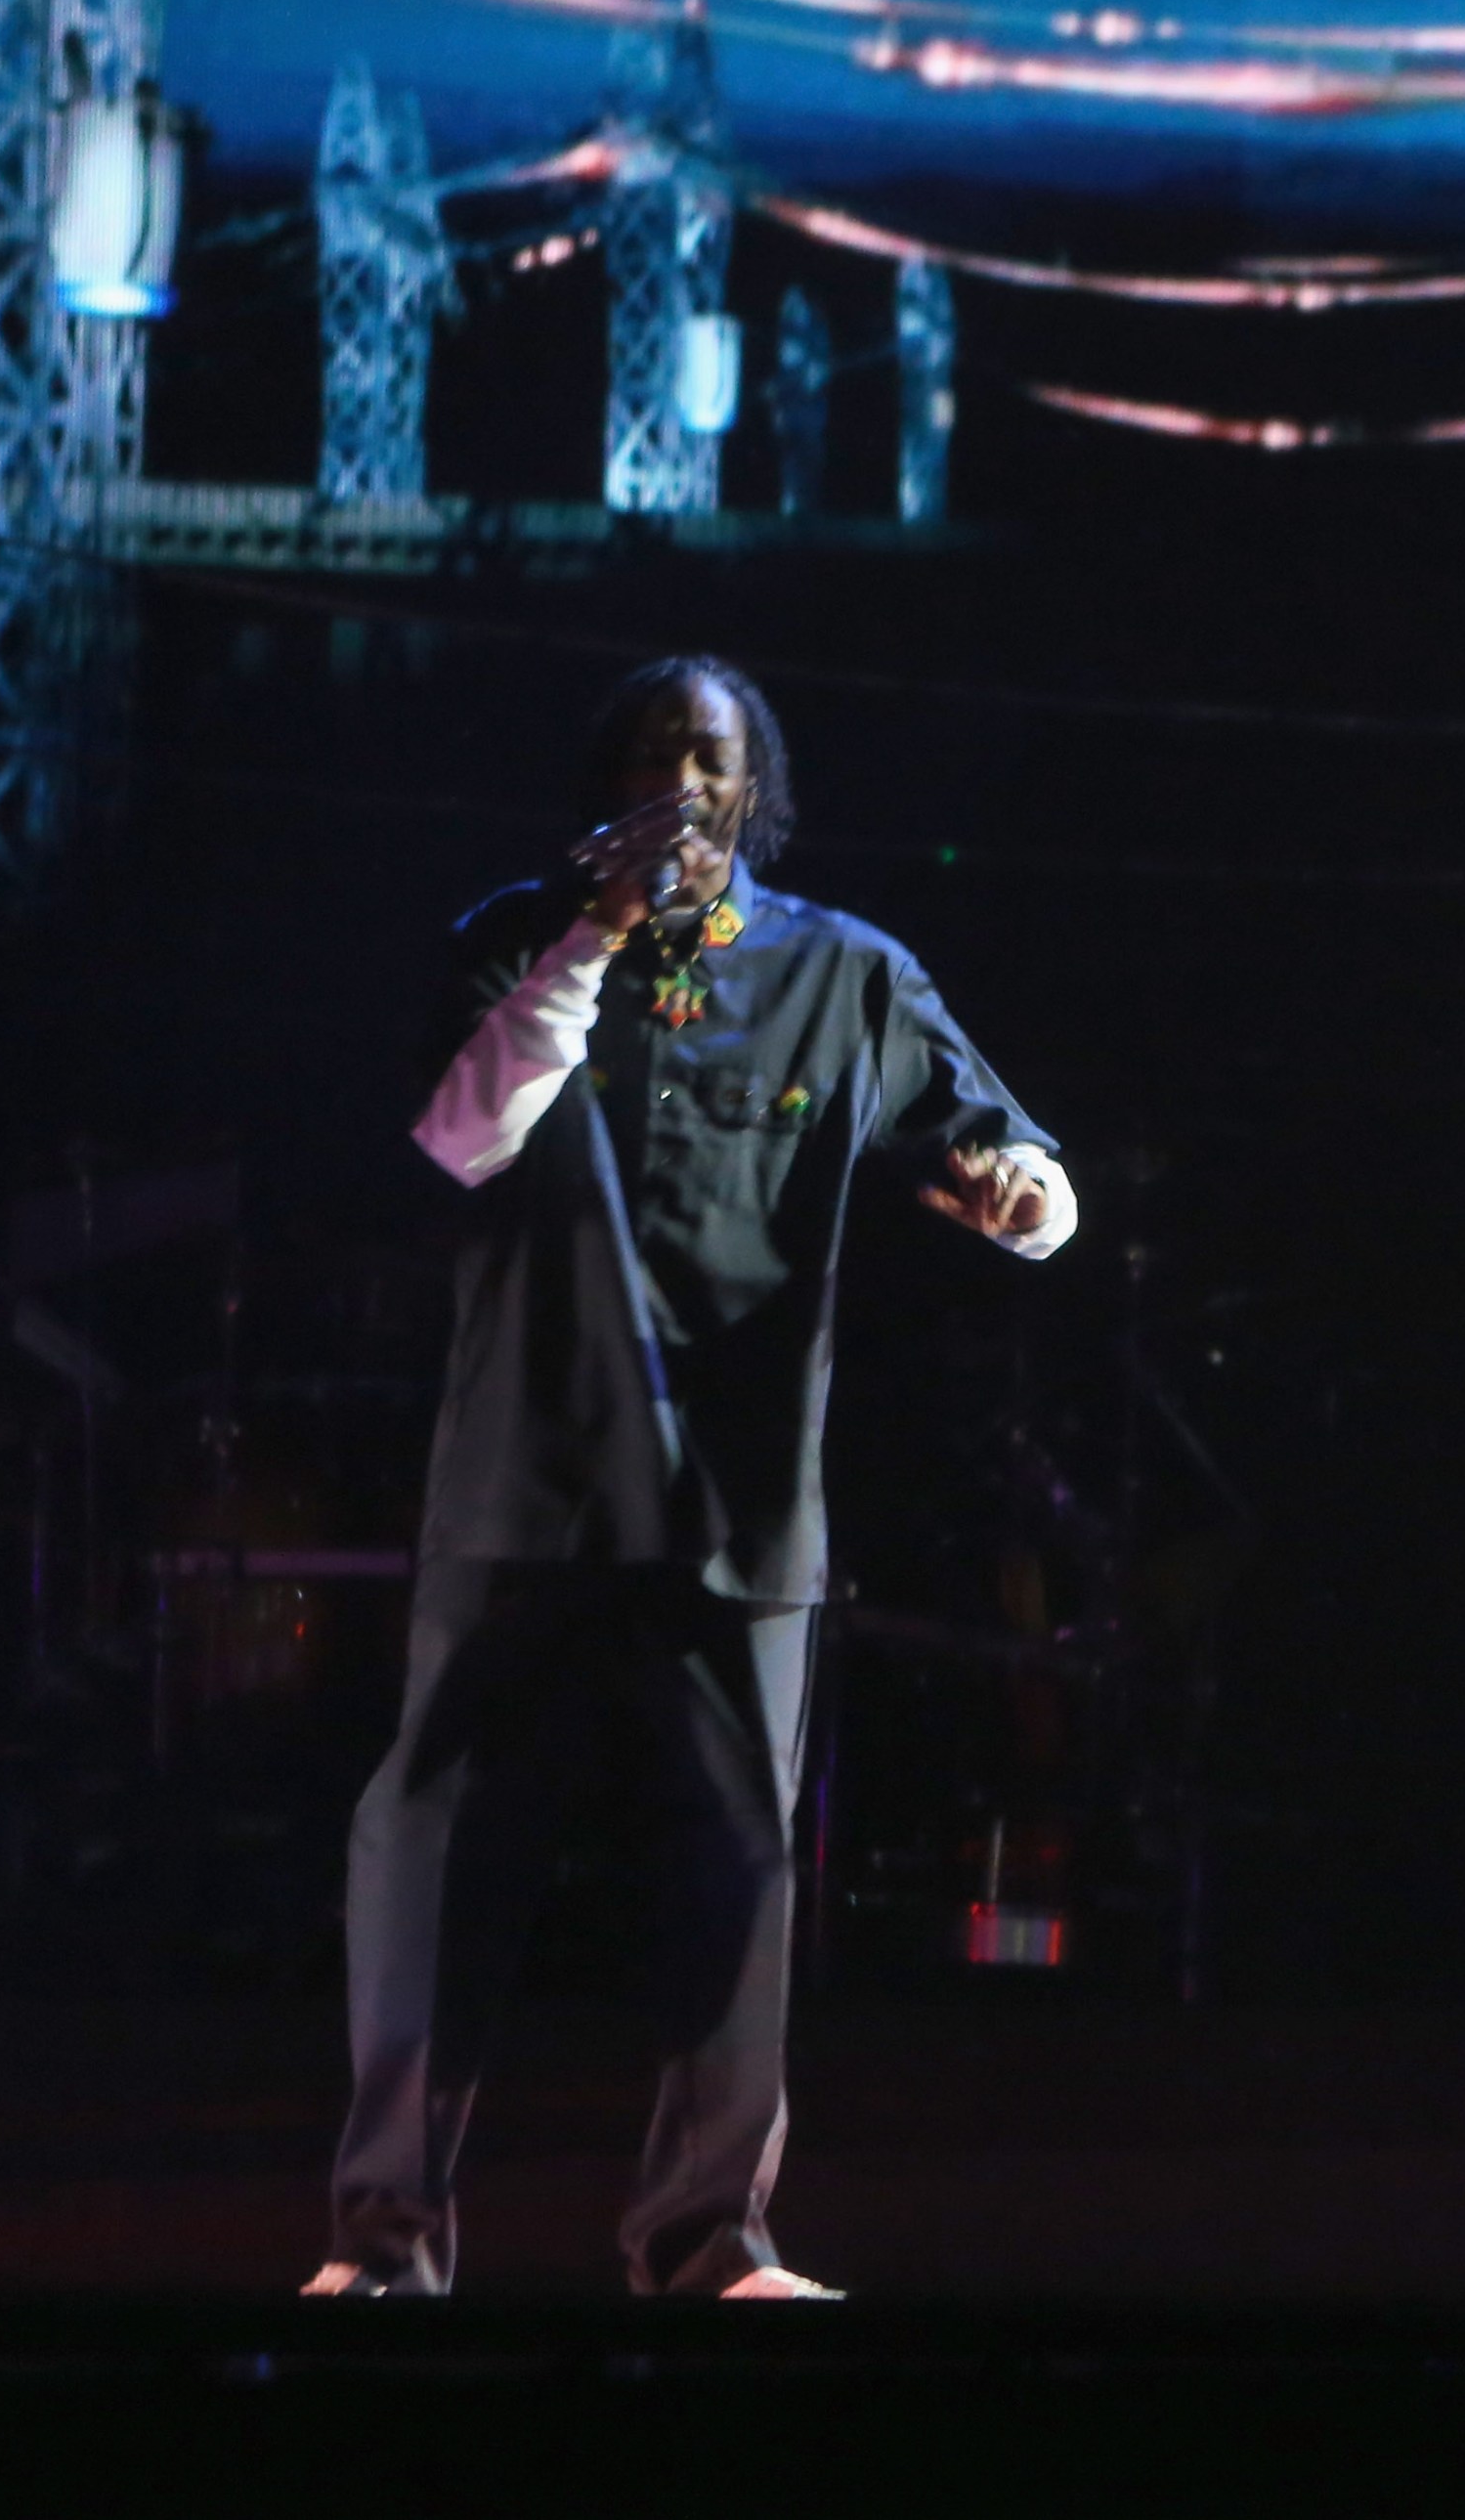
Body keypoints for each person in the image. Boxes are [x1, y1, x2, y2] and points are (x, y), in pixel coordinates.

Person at [304, 655, 1076, 2300]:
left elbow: (1017, 1160)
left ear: (756, 786)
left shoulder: (842, 974)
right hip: (525, 1486)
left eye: (711, 758)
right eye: (654, 756)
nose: (683, 784)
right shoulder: (513, 941)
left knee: (735, 1871)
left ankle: (714, 2242)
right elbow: (462, 1137)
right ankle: (381, 2246)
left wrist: (1021, 1195)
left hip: (738, 1504)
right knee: (437, 1860)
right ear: (607, 785)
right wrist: (590, 930)